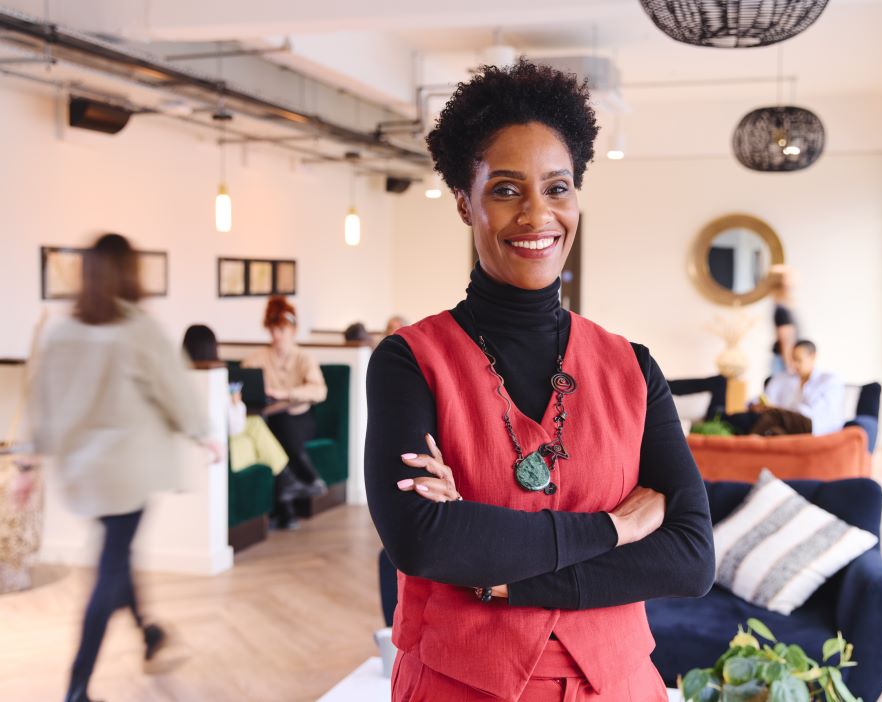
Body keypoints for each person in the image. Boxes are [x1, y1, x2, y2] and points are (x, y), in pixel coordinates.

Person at [365, 60, 715, 701]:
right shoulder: (409, 360)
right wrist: (617, 528)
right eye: (504, 189)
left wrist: (499, 575)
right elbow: (423, 540)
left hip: (619, 686)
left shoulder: (632, 368)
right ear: (465, 202)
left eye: (557, 188)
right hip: (457, 685)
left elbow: (690, 558)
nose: (536, 214)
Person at [29, 234, 221, 702]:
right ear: (131, 272)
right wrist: (203, 433)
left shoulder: (61, 331)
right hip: (128, 473)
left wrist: (32, 459)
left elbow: (43, 400)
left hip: (83, 474)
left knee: (118, 551)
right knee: (109, 568)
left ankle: (146, 630)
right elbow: (174, 390)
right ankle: (77, 687)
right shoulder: (139, 329)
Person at [181, 324, 302, 530]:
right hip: (221, 454)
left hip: (189, 450)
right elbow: (234, 427)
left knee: (255, 433)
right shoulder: (215, 379)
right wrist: (236, 402)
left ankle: (285, 491)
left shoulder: (178, 376)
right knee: (254, 430)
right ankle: (284, 480)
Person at [242, 296, 328, 499]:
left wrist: (287, 394)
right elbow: (244, 381)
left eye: (281, 330)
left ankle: (308, 479)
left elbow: (319, 391)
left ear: (293, 330)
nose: (276, 336)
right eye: (272, 331)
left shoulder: (304, 358)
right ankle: (290, 502)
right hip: (270, 416)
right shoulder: (257, 358)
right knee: (267, 428)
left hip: (299, 418)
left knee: (283, 427)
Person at [752, 340, 846, 436]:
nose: (794, 365)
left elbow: (815, 413)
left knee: (774, 414)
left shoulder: (829, 381)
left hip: (818, 426)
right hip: (797, 423)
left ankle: (750, 441)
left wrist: (780, 409)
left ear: (813, 357)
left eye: (798, 360)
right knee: (775, 432)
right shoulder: (789, 380)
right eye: (793, 360)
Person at [769, 264, 798, 375]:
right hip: (784, 362)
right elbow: (786, 340)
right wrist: (789, 365)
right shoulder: (781, 309)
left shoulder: (782, 306)